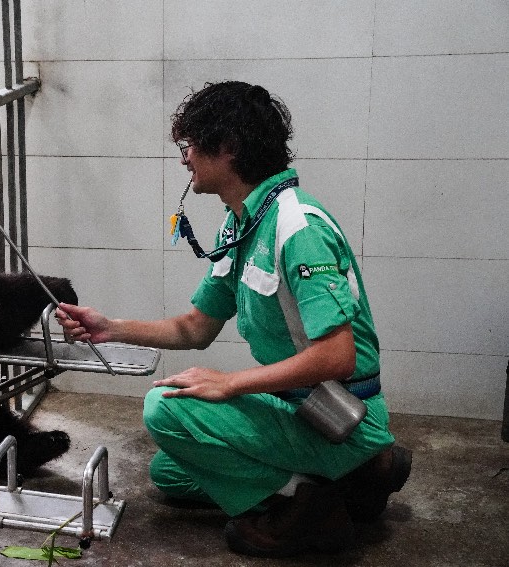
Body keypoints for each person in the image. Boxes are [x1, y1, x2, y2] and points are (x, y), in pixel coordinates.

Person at [57, 81, 411, 558]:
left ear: (226, 149)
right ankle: (361, 476)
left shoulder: (297, 227)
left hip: (338, 413)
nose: (183, 159)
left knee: (165, 409)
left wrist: (230, 384)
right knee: (170, 472)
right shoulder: (243, 223)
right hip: (298, 408)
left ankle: (315, 507)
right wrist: (110, 327)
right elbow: (195, 328)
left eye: (188, 146)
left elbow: (337, 355)